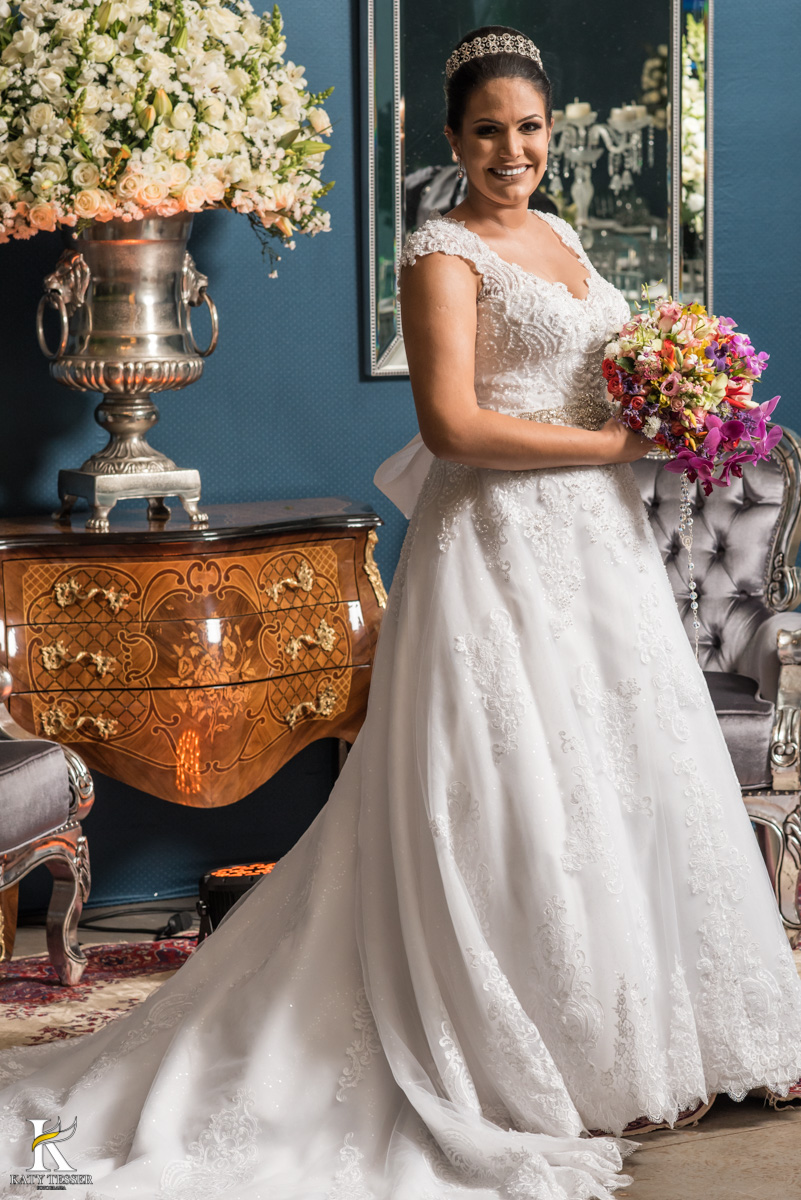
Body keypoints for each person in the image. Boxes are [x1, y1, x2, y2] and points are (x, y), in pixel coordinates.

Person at [2, 25, 801, 1200]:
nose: (513, 150)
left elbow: (600, 361)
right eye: (488, 131)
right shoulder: (441, 253)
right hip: (504, 554)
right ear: (452, 139)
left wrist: (676, 386)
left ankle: (647, 1043)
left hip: (599, 558)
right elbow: (454, 429)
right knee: (510, 793)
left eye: (529, 128)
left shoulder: (566, 236)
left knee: (610, 783)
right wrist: (613, 443)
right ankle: (515, 1055)